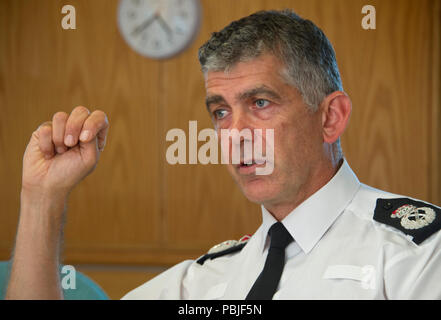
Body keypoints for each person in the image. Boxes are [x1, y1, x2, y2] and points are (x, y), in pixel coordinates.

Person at [6, 10, 440, 300]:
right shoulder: (202, 284)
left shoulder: (416, 254)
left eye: (261, 104)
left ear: (331, 117)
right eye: (220, 111)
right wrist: (43, 198)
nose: (235, 134)